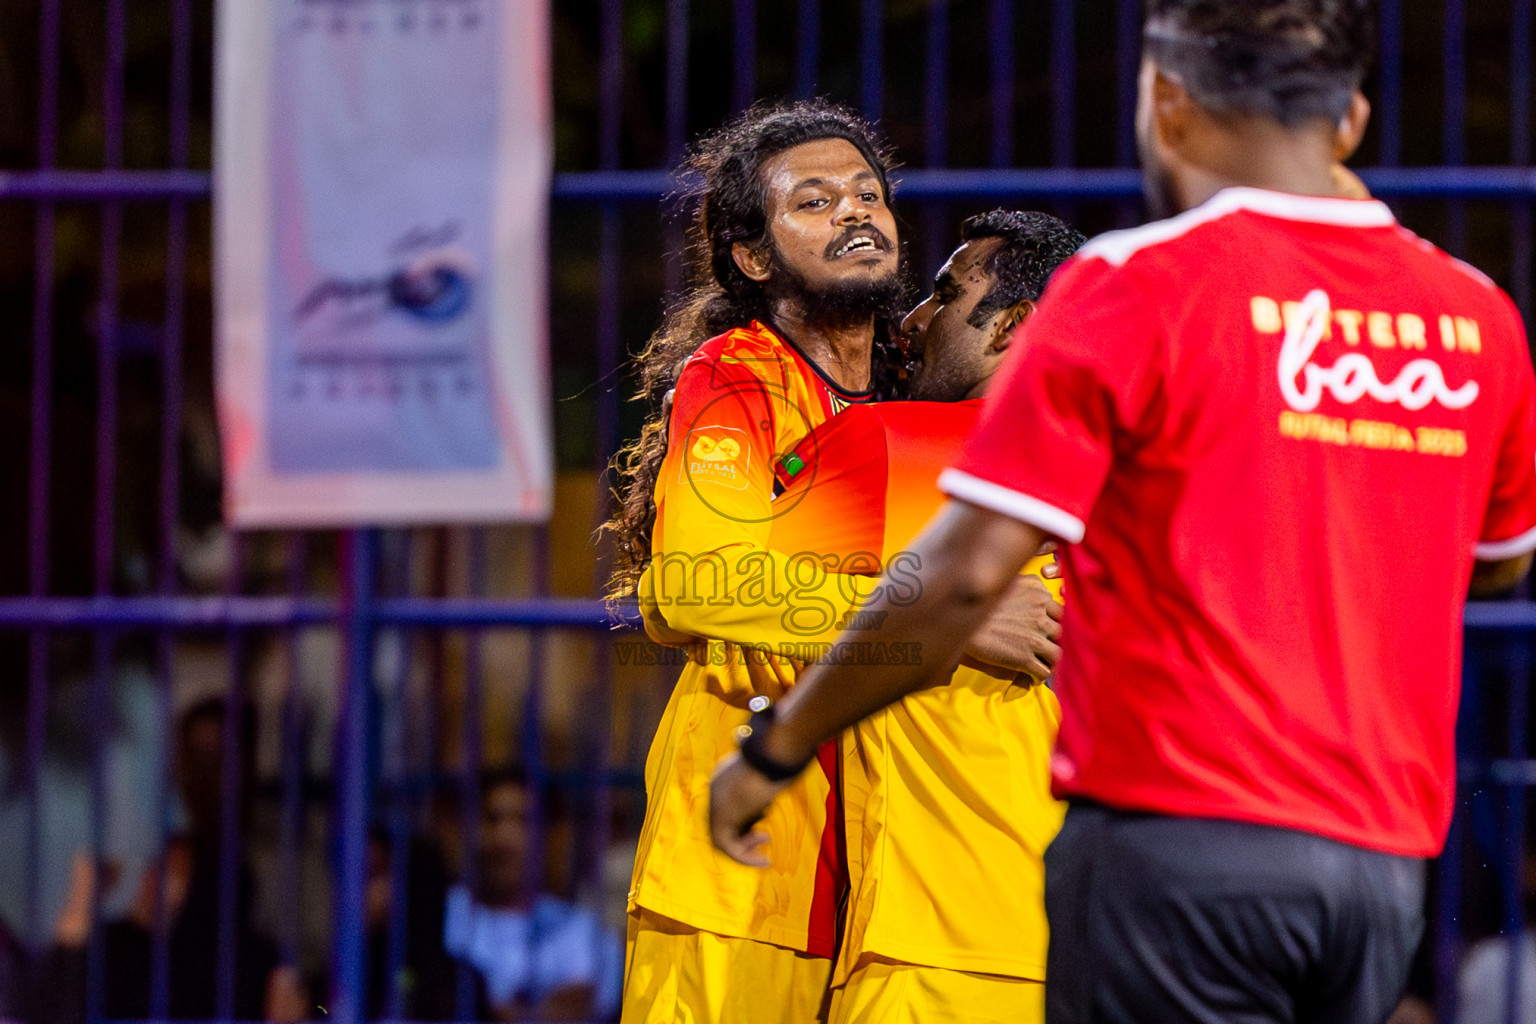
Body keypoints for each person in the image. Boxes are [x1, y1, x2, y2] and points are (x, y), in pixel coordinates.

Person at [709, 2, 1536, 1023]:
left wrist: (774, 749)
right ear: (1353, 119)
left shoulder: (1136, 289)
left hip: (1170, 849)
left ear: (1167, 104)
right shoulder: (1474, 316)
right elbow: (1496, 562)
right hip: (1378, 866)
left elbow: (953, 577)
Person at [606, 100, 1053, 1022]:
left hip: (888, 887)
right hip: (742, 882)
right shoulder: (737, 376)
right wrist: (951, 618)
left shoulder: (918, 395)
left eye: (868, 193)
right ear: (753, 256)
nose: (855, 211)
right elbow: (690, 587)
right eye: (812, 201)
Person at [768, 210, 1083, 1023]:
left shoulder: (882, 446)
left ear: (1013, 325)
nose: (910, 320)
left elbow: (695, 588)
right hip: (1104, 949)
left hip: (935, 953)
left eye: (945, 294)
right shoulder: (1139, 476)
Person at [442, 767, 622, 1022]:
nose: (503, 838)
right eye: (491, 818)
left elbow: (579, 1009)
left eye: (522, 821)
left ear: (548, 836)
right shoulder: (438, 913)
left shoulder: (583, 933)